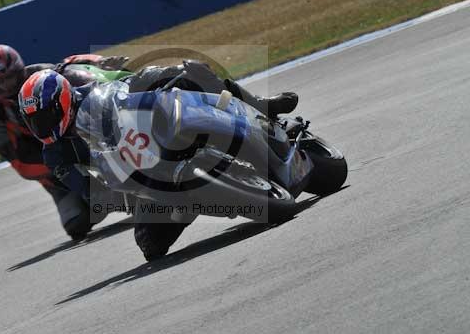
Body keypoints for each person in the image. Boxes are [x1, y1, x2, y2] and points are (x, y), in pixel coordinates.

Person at [18, 60, 299, 260]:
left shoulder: (92, 92)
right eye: (34, 121)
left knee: (188, 70)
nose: (42, 125)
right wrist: (117, 195)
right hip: (143, 181)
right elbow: (90, 193)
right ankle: (200, 199)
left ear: (63, 100)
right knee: (150, 247)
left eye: (46, 115)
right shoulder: (55, 154)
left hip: (158, 135)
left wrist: (152, 84)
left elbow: (125, 87)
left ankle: (262, 106)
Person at [0, 44, 128, 240]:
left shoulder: (40, 74)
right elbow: (24, 166)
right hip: (55, 171)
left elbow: (68, 67)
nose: (8, 86)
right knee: (76, 223)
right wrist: (63, 159)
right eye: (0, 83)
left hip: (85, 136)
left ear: (20, 70)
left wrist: (99, 65)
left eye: (11, 77)